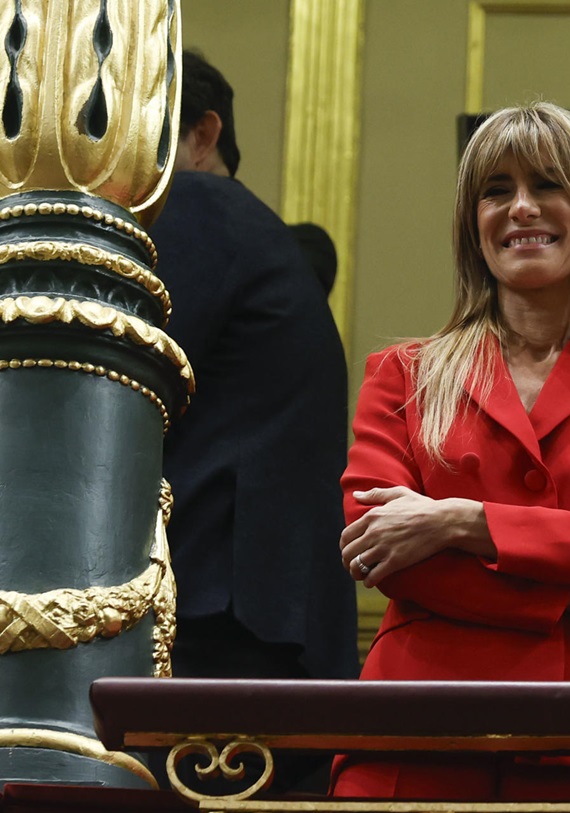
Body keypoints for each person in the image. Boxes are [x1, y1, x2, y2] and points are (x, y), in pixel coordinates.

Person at [330, 102, 570, 800]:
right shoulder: (402, 374)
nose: (521, 207)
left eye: (547, 183)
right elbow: (374, 545)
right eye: (496, 190)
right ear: (471, 224)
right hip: (418, 730)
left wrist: (456, 520)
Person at [150, 50, 357, 685]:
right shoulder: (253, 231)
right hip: (274, 612)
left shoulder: (194, 202)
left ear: (202, 135)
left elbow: (120, 386)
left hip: (220, 607)